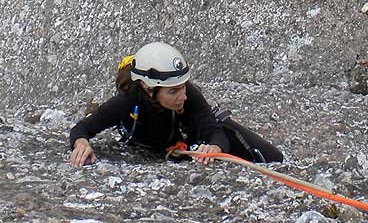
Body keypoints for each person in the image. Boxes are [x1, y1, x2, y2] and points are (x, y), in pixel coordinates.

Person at [69, 42, 283, 168]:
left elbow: (213, 130)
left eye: (182, 87)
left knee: (274, 159)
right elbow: (83, 128)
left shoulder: (190, 93)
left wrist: (214, 148)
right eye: (173, 91)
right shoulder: (128, 101)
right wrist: (81, 144)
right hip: (159, 143)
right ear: (148, 88)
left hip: (184, 140)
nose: (183, 96)